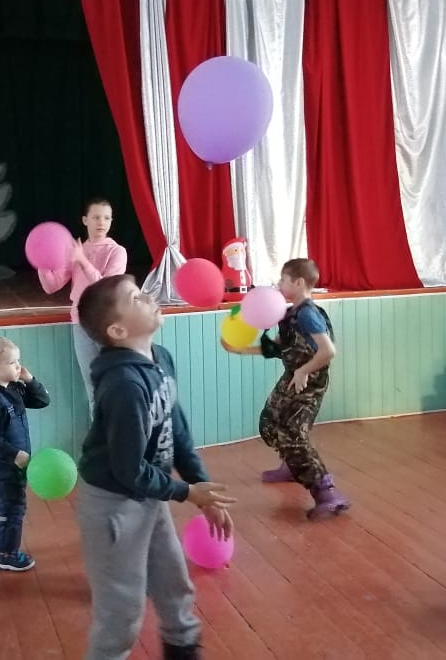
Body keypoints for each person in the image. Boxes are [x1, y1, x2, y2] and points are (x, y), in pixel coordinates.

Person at [75, 274, 235, 660]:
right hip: (113, 505)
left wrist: (204, 490)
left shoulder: (160, 358)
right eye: (135, 297)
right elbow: (128, 470)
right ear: (117, 330)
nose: (148, 297)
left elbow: (176, 429)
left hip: (149, 492)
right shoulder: (124, 386)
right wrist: (187, 493)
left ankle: (183, 650)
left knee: (174, 585)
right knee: (122, 611)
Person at [222, 258, 351, 519]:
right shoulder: (290, 313)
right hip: (293, 375)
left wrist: (304, 371)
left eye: (283, 280)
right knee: (270, 422)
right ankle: (291, 466)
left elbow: (328, 351)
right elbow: (277, 348)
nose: (278, 284)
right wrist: (239, 349)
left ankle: (326, 492)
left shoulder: (308, 314)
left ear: (299, 283)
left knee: (292, 433)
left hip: (309, 381)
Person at [38, 198, 127, 417]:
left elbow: (106, 288)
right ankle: (100, 437)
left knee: (114, 384)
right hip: (81, 323)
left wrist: (82, 260)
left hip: (107, 323)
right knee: (93, 389)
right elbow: (51, 286)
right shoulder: (77, 251)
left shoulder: (117, 251)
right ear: (85, 220)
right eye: (96, 217)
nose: (101, 222)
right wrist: (42, 263)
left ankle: (122, 434)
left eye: (106, 218)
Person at [0, 336, 51, 572]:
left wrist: (30, 379)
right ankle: (6, 553)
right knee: (12, 505)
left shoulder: (15, 388)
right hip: (1, 462)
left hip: (14, 461)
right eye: (12, 363)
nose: (18, 366)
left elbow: (43, 400)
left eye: (18, 361)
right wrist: (14, 454)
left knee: (0, 501)